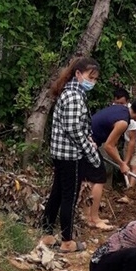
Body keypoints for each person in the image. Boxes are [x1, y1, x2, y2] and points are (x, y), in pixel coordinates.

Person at [40, 57, 101, 253]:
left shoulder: (69, 92)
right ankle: (67, 241)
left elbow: (76, 126)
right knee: (69, 196)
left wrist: (87, 137)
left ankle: (47, 233)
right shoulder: (74, 96)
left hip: (60, 153)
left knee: (57, 192)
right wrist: (90, 151)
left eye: (95, 79)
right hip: (70, 155)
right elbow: (74, 130)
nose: (92, 82)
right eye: (90, 77)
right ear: (77, 74)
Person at [84, 97, 136, 229]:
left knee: (92, 179)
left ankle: (89, 216)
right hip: (88, 143)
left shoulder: (121, 109)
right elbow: (109, 146)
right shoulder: (123, 122)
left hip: (88, 141)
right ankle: (94, 218)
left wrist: (122, 163)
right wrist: (122, 163)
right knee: (99, 178)